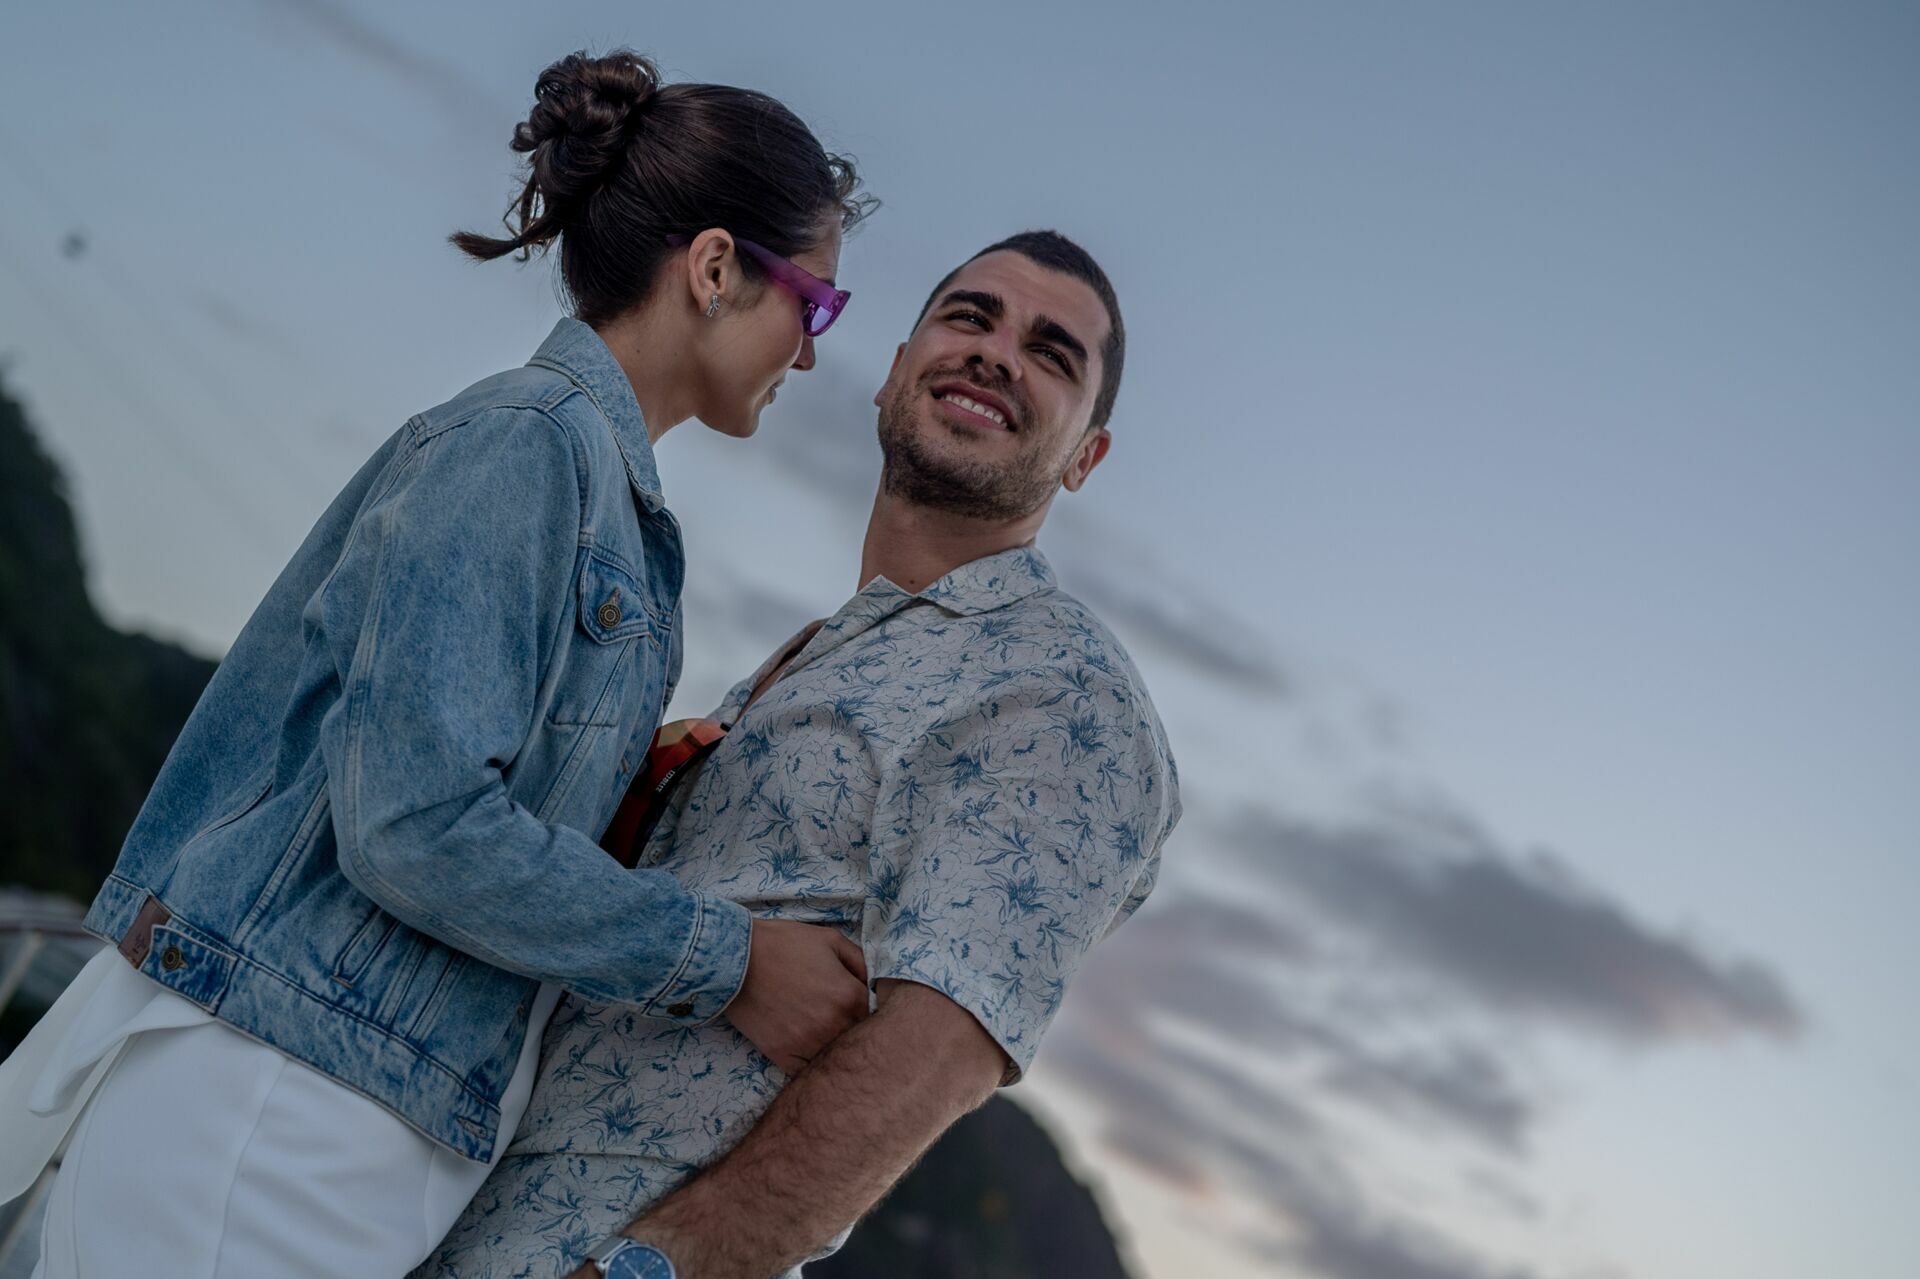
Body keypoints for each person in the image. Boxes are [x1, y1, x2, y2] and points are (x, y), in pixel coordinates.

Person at [0, 49, 877, 1277]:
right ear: (718, 267)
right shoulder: (526, 448)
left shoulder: (607, 502)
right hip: (269, 1113)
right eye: (819, 304)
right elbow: (414, 824)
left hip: (344, 1124)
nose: (817, 348)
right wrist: (726, 961)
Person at [419, 230, 1181, 1279]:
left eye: (1053, 355)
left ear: (1085, 456)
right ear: (898, 369)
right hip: (457, 1200)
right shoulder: (829, 655)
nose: (999, 353)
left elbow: (939, 1052)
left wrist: (640, 1274)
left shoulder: (1060, 688)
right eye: (971, 317)